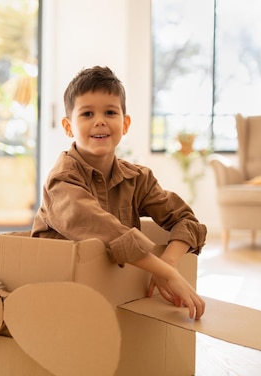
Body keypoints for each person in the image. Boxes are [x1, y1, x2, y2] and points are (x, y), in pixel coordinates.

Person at [31, 66, 207, 319]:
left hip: (114, 298)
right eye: (87, 113)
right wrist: (167, 274)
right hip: (57, 300)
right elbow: (105, 231)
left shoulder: (138, 179)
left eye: (110, 112)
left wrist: (168, 263)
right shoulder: (62, 181)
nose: (99, 120)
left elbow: (187, 221)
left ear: (124, 124)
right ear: (69, 127)